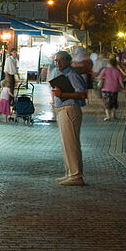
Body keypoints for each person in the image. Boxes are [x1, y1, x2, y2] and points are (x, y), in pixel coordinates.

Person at [51, 50, 88, 186]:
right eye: (55, 60)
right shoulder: (61, 73)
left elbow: (82, 94)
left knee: (71, 143)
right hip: (62, 109)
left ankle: (76, 175)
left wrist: (63, 93)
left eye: (60, 60)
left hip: (70, 109)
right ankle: (70, 172)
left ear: (68, 61)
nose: (57, 63)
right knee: (66, 143)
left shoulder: (72, 74)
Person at [97, 56, 125, 121]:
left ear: (108, 63)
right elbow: (121, 81)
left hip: (105, 88)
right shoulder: (117, 71)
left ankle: (108, 116)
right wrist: (123, 88)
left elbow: (99, 78)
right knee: (114, 101)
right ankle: (114, 115)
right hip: (115, 89)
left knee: (106, 102)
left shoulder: (105, 70)